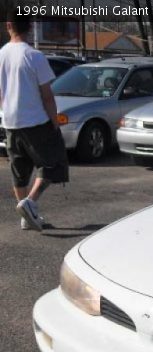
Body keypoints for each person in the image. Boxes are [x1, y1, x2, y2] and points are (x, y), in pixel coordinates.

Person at [0, 15, 69, 231]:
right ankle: (29, 203)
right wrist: (54, 122)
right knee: (53, 163)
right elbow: (47, 96)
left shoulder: (1, 55)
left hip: (10, 122)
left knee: (19, 170)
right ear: (30, 27)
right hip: (36, 121)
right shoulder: (34, 56)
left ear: (8, 26)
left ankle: (26, 217)